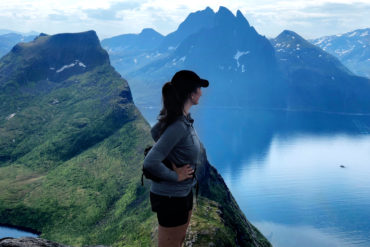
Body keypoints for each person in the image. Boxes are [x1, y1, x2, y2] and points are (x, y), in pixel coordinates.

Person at [143, 70, 209, 247]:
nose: (201, 93)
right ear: (190, 93)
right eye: (198, 89)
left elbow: (155, 132)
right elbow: (150, 162)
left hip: (181, 194)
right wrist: (175, 175)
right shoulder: (179, 125)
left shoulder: (182, 119)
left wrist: (171, 153)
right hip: (171, 198)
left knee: (177, 243)